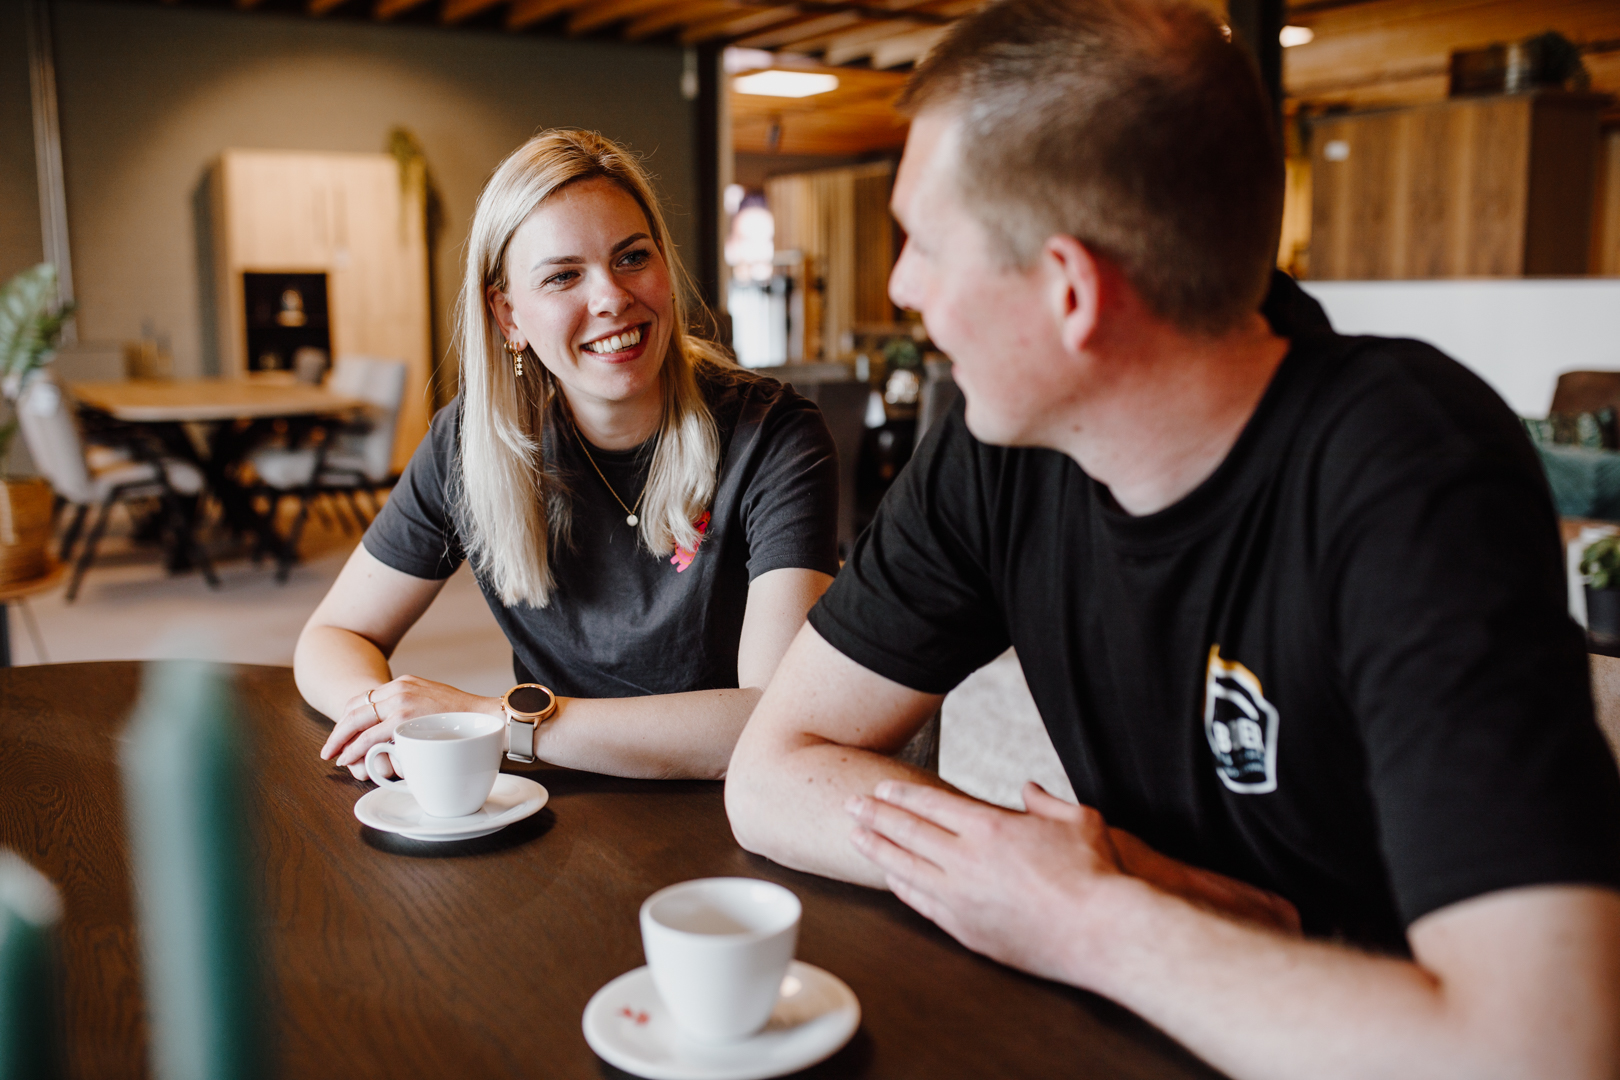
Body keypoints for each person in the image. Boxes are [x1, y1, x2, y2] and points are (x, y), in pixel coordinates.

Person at [724, 0, 1620, 1076]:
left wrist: (1089, 919)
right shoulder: (993, 440)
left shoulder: (1415, 474)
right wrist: (1090, 882)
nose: (900, 287)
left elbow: (1545, 1050)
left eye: (922, 241)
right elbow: (772, 772)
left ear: (1070, 292)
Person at [297, 129, 839, 781]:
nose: (611, 297)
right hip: (552, 802)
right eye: (563, 276)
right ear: (509, 317)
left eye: (633, 257)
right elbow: (333, 636)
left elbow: (774, 721)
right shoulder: (471, 443)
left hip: (726, 806)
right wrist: (378, 718)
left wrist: (503, 722)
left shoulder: (774, 435)